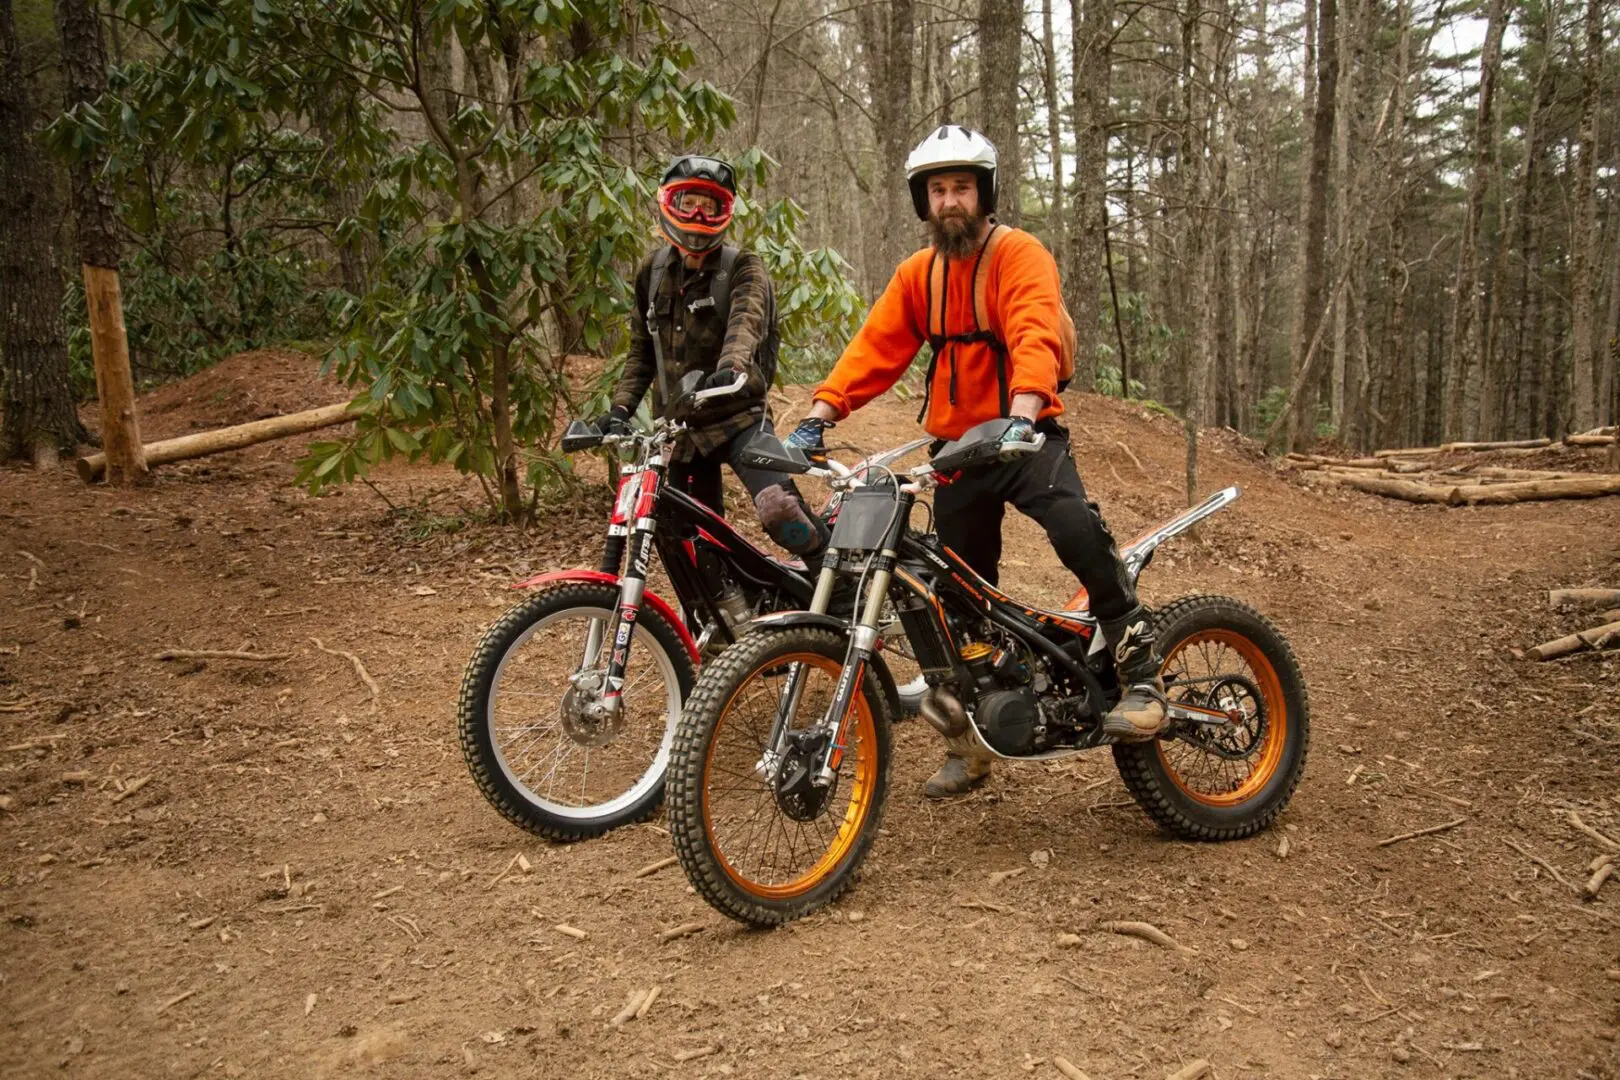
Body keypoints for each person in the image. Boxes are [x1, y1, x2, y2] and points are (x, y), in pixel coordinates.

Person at [783, 125, 1167, 799]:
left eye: (962, 187)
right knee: (952, 597)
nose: (951, 201)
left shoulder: (1018, 254)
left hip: (1025, 437)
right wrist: (819, 417)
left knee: (1076, 527)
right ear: (923, 201)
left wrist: (1022, 413)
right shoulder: (919, 275)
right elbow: (874, 350)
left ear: (984, 192)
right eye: (938, 190)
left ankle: (1142, 672)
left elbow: (1034, 331)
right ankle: (975, 735)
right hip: (958, 452)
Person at [602, 154, 827, 566]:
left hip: (739, 417)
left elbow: (747, 323)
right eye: (689, 202)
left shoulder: (743, 267)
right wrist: (620, 410)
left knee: (781, 510)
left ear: (727, 210)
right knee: (692, 542)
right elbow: (641, 351)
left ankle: (836, 581)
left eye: (711, 204)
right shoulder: (650, 273)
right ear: (669, 203)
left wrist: (732, 368)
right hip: (680, 430)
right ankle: (717, 621)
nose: (699, 214)